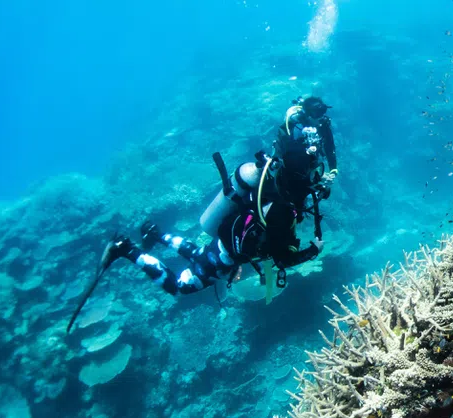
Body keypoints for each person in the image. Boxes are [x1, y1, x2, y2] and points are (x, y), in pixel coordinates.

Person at [67, 96, 339, 332]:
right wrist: (313, 251)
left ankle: (156, 235)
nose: (317, 181)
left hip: (224, 242)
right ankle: (125, 250)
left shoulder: (274, 189)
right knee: (179, 287)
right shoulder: (284, 209)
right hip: (225, 257)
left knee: (197, 254)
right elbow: (283, 257)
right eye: (314, 176)